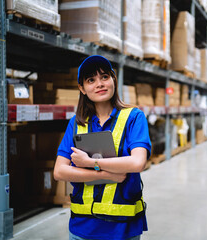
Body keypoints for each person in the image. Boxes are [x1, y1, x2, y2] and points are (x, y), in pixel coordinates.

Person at [54, 55, 151, 240]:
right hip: (82, 228)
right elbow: (59, 171)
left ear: (113, 80)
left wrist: (90, 162)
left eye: (105, 77)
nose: (99, 84)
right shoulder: (76, 123)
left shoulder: (134, 117)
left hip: (122, 229)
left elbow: (138, 162)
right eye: (91, 80)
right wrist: (106, 174)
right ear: (82, 88)